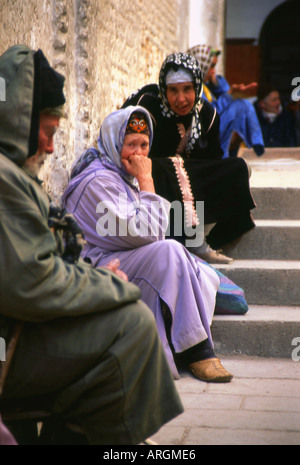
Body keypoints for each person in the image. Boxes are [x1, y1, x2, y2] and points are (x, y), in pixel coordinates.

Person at [0, 44, 184, 445]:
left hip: (27, 319)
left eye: (144, 144)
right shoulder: (93, 180)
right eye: (46, 133)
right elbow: (30, 281)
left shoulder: (15, 175)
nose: (51, 148)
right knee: (131, 324)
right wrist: (107, 283)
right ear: (17, 123)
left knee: (177, 259)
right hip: (9, 341)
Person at [62, 105, 233, 383]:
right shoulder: (95, 181)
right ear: (113, 142)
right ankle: (197, 351)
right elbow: (148, 233)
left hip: (126, 257)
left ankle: (181, 337)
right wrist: (146, 179)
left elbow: (152, 227)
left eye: (144, 144)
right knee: (170, 251)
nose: (139, 154)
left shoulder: (118, 176)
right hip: (104, 267)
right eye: (130, 144)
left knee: (194, 267)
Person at [122, 52, 257, 264]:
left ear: (197, 87)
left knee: (240, 168)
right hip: (152, 191)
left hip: (192, 194)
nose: (181, 98)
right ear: (164, 90)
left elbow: (212, 166)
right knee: (163, 166)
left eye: (187, 89)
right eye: (173, 90)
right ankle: (189, 240)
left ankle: (197, 238)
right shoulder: (146, 106)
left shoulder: (208, 115)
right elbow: (127, 154)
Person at [187, 44, 265, 158]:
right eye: (211, 66)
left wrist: (216, 82)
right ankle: (256, 144)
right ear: (201, 65)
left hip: (213, 128)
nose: (213, 71)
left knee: (243, 106)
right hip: (204, 133)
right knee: (241, 106)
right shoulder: (194, 87)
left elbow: (224, 91)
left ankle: (255, 143)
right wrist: (230, 92)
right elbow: (210, 112)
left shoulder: (205, 85)